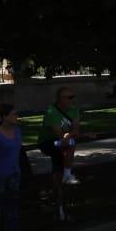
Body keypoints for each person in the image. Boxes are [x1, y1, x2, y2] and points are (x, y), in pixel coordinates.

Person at [39, 86, 87, 221]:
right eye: (70, 97)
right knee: (70, 144)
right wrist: (69, 135)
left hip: (64, 143)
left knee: (69, 145)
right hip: (49, 142)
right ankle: (66, 175)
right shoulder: (51, 112)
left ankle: (62, 208)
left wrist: (69, 134)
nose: (73, 100)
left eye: (73, 96)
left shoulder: (74, 110)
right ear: (60, 99)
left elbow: (76, 130)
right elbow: (60, 135)